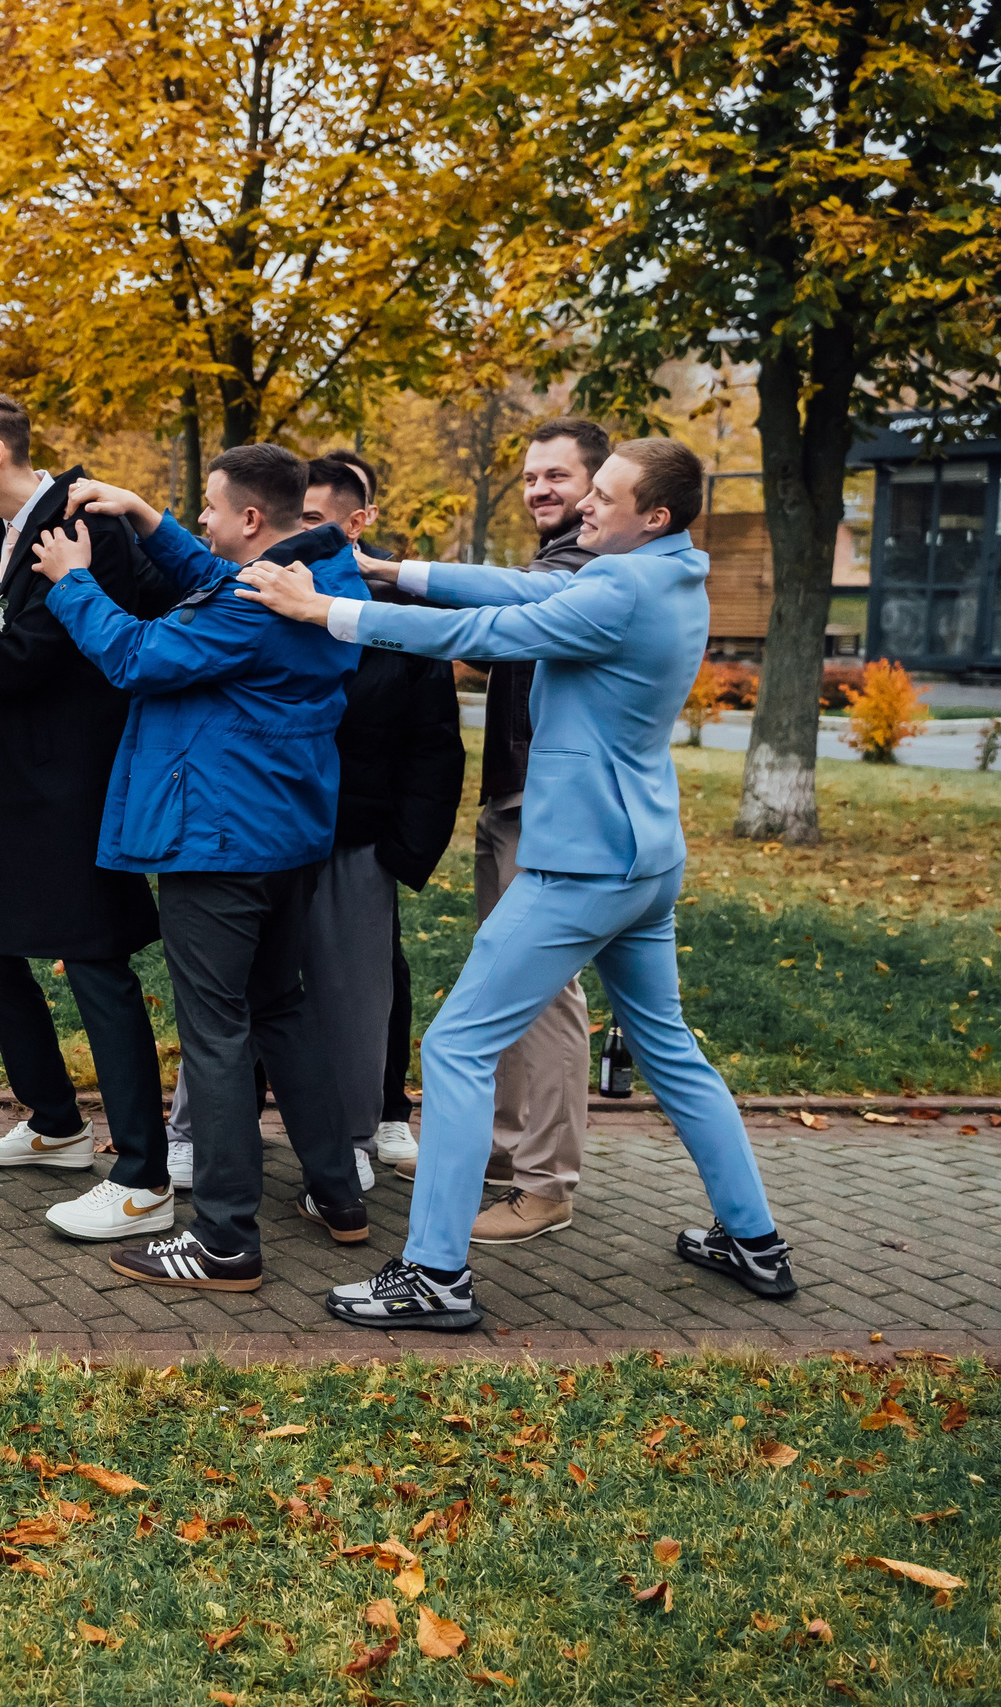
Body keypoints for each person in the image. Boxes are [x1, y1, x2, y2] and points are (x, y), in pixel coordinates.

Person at [238, 437, 797, 1329]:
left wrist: (328, 611)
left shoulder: (618, 588)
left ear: (653, 514)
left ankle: (434, 1275)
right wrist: (392, 570)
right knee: (669, 1049)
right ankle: (754, 1238)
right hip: (646, 856)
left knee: (456, 1048)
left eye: (605, 495)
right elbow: (519, 588)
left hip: (582, 864)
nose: (586, 505)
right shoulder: (669, 572)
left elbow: (485, 633)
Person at [23, 447, 366, 1293]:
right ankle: (338, 1195)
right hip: (283, 834)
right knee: (279, 1007)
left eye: (209, 507)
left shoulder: (254, 607)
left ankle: (223, 1239)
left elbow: (138, 655)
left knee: (216, 1034)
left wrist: (73, 581)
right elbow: (218, 578)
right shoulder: (319, 575)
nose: (202, 520)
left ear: (250, 517)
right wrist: (148, 518)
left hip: (217, 839)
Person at [154, 453, 462, 1198]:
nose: (303, 536)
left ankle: (350, 1142)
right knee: (235, 990)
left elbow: (432, 743)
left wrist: (401, 851)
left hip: (354, 836)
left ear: (356, 525)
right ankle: (195, 1133)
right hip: (264, 827)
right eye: (298, 519)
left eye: (318, 522)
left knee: (350, 998)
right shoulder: (247, 592)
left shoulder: (390, 615)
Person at [0, 391, 176, 1245]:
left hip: (70, 782)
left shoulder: (85, 522)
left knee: (95, 961)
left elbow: (52, 649)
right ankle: (56, 1122)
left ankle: (142, 1174)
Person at [390, 418, 615, 1242]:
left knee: (545, 993)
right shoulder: (554, 563)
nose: (539, 489)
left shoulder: (586, 567)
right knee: (512, 983)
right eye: (529, 476)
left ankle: (546, 1183)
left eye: (558, 475)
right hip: (514, 796)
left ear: (596, 488)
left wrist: (379, 579)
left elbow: (495, 606)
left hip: (551, 808)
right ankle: (506, 1148)